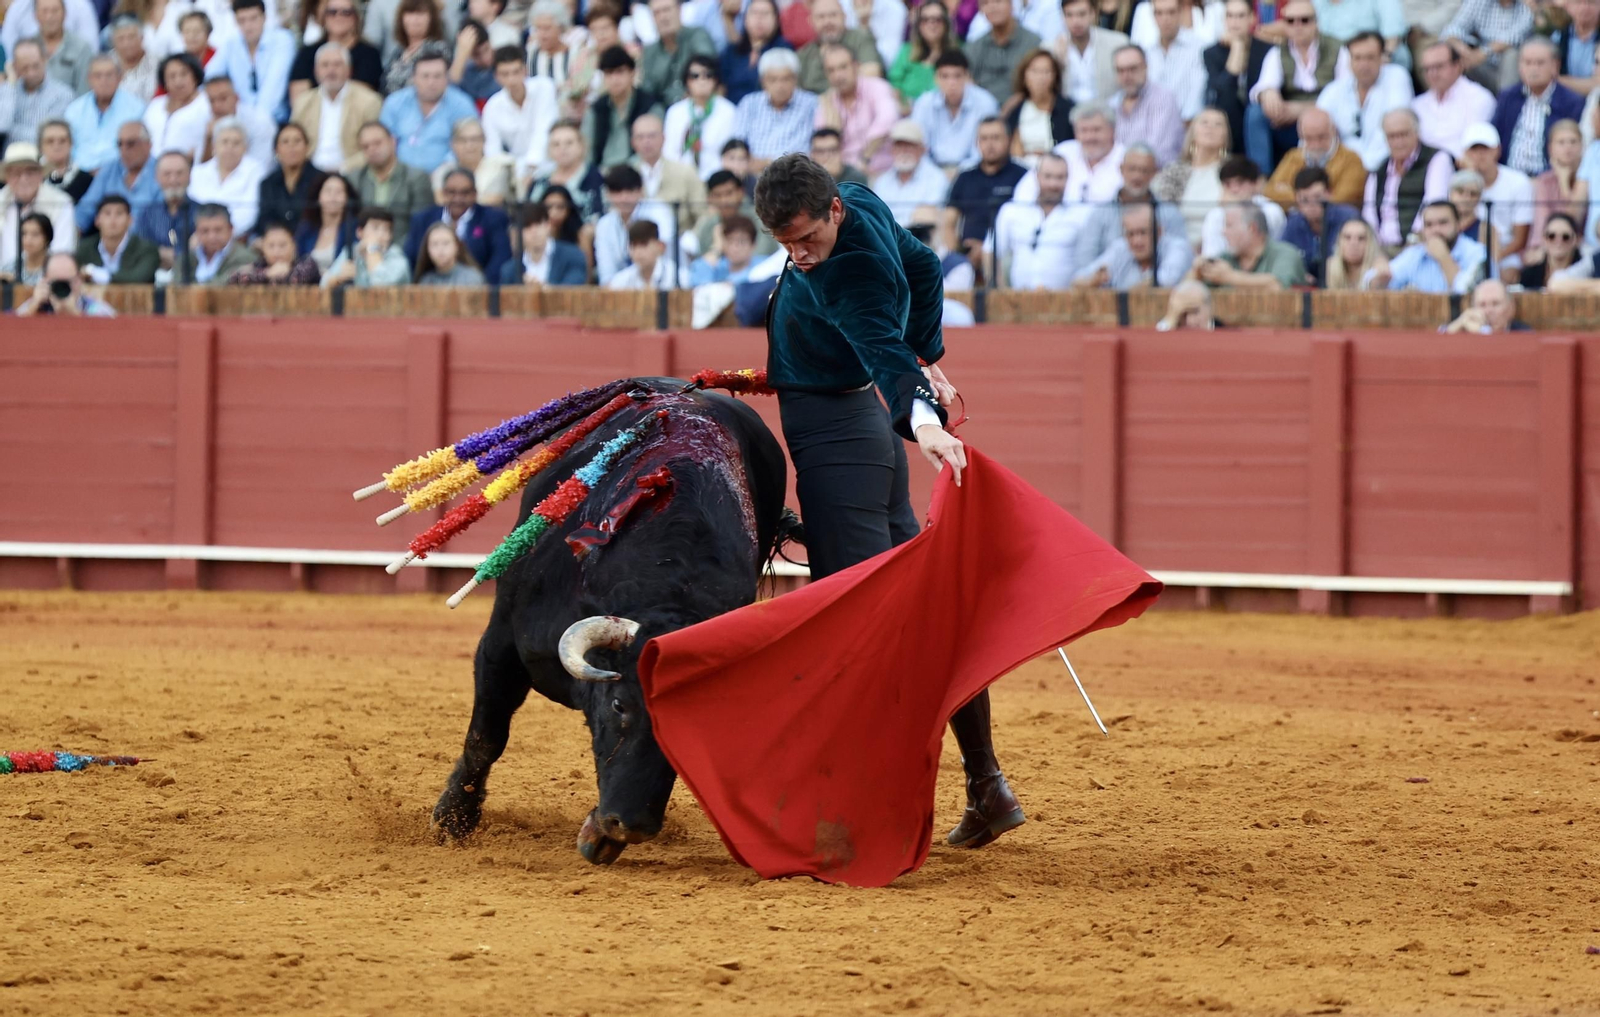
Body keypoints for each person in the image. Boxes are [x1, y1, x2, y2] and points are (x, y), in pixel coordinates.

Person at [751, 154, 1017, 853]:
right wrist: (927, 348)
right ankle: (986, 782)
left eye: (806, 240)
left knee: (859, 628)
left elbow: (880, 349)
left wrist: (923, 416)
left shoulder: (849, 273)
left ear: (833, 211)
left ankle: (863, 810)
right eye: (785, 247)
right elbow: (927, 266)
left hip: (841, 433)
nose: (800, 259)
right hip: (862, 429)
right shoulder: (860, 201)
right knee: (921, 609)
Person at [1245, 0, 1348, 174]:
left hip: (1328, 121)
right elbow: (1262, 86)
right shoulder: (1278, 52)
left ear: (1316, 22)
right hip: (1290, 123)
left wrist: (1303, 109)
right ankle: (1260, 179)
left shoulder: (1337, 49)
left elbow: (1346, 95)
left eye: (1304, 20)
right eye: (1291, 21)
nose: (1298, 26)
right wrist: (1267, 93)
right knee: (1255, 113)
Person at [1315, 30, 1414, 172]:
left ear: (1382, 58)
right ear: (1349, 60)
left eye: (1370, 58)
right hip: (1341, 170)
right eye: (1358, 58)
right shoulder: (1334, 90)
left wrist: (1360, 167)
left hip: (1384, 170)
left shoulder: (1397, 77)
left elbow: (1395, 132)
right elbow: (1312, 129)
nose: (1363, 65)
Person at [1075, 142, 1186, 266]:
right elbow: (1084, 260)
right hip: (1106, 283)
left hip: (1156, 283)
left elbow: (1180, 256)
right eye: (1132, 169)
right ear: (1121, 169)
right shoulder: (1100, 213)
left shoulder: (1169, 213)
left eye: (1144, 170)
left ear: (1154, 173)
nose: (1137, 176)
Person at [944, 116, 1026, 283]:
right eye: (984, 138)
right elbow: (948, 223)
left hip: (1008, 253)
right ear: (977, 143)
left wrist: (986, 250)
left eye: (996, 138)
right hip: (968, 255)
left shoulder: (1023, 176)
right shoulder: (965, 177)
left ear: (1008, 140)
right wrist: (959, 253)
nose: (990, 144)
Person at [1489, 38, 1584, 178]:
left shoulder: (1571, 102)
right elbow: (1493, 136)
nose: (1533, 68)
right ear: (1520, 67)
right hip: (1508, 175)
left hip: (1551, 178)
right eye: (1527, 63)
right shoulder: (1508, 97)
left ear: (1555, 66)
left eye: (1540, 63)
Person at [1363, 107, 1453, 252]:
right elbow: (1369, 212)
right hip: (1380, 248)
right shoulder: (1378, 169)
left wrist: (1413, 242)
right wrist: (1375, 248)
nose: (1398, 142)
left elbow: (1433, 204)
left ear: (1417, 133)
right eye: (1392, 136)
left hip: (1419, 245)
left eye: (1403, 134)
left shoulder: (1437, 159)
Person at [290, 43, 384, 175]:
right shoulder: (303, 102)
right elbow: (293, 141)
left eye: (337, 64)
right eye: (325, 65)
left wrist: (342, 170)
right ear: (316, 71)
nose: (331, 71)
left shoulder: (369, 101)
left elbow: (374, 148)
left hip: (352, 173)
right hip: (309, 175)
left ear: (349, 70)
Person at [1008, 101, 1125, 206]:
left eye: (1096, 130)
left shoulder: (1128, 158)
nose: (1090, 137)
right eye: (1083, 130)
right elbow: (1025, 192)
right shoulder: (1063, 152)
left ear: (1112, 130)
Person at [403, 167, 511, 280]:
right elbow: (411, 259)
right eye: (452, 192)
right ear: (443, 193)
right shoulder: (423, 219)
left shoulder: (493, 218)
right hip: (429, 287)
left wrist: (481, 289)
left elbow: (500, 260)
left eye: (465, 193)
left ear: (475, 194)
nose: (458, 198)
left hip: (479, 289)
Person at [379, 52, 479, 172]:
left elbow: (470, 144)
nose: (431, 82)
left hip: (447, 176)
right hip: (400, 176)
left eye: (437, 76)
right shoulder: (395, 102)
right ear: (414, 78)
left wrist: (444, 172)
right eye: (425, 76)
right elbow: (384, 141)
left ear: (446, 78)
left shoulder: (462, 104)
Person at [993, 151, 1080, 288]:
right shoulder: (1013, 210)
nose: (1053, 184)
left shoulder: (1080, 214)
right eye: (1048, 176)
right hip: (1017, 300)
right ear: (1037, 176)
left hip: (1065, 302)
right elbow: (991, 252)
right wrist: (1001, 294)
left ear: (1068, 178)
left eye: (1060, 177)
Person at [480, 46, 560, 189]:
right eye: (505, 74)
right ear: (496, 77)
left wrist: (530, 169)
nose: (512, 80)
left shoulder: (544, 87)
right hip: (516, 173)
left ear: (525, 70)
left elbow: (543, 130)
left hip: (552, 165)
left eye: (516, 72)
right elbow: (493, 151)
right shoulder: (492, 107)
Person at [814, 44, 897, 177]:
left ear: (856, 66)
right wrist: (829, 108)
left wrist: (865, 158)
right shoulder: (829, 101)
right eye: (831, 70)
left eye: (843, 67)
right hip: (845, 175)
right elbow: (826, 141)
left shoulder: (877, 87)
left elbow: (887, 120)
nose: (838, 75)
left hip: (883, 171)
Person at [1460, 122, 1531, 276]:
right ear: (1465, 153)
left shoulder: (1518, 182)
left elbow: (1519, 239)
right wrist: (1471, 179)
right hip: (1467, 251)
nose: (1479, 155)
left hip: (1506, 253)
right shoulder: (1458, 184)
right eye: (1474, 149)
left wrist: (1492, 259)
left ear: (1497, 150)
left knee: (1508, 274)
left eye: (1485, 149)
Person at [1153, 105, 1229, 248]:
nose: (1210, 127)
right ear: (1192, 132)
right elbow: (1159, 215)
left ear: (1225, 137)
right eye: (1204, 122)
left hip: (1218, 245)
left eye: (1218, 124)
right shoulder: (1173, 172)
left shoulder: (1232, 172)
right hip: (1176, 245)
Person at [1261, 107, 1367, 209]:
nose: (1316, 145)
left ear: (1333, 132)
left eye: (1322, 137)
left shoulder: (1352, 160)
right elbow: (1270, 192)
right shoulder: (1293, 157)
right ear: (1301, 136)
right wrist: (1314, 197)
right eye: (1309, 138)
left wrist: (1293, 195)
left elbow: (1341, 201)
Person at [1203, 0, 1272, 155]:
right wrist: (1237, 47)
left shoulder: (1267, 50)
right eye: (1230, 16)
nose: (1234, 22)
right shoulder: (1212, 53)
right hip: (1229, 117)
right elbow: (1222, 90)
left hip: (1259, 117)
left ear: (1252, 18)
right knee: (1226, 100)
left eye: (1240, 16)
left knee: (1254, 113)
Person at [1072, 200, 1193, 287]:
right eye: (1131, 234)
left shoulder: (1177, 247)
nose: (1137, 241)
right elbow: (1078, 279)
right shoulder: (1120, 247)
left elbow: (1165, 281)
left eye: (1143, 232)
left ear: (1159, 232)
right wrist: (1093, 281)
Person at [733, 48, 818, 172]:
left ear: (795, 79)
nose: (780, 86)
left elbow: (819, 146)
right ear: (763, 81)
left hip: (797, 175)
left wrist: (769, 162)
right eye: (773, 79)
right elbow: (737, 144)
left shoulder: (812, 103)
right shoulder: (749, 103)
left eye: (785, 79)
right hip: (755, 175)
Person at [213, 0, 298, 122]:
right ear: (235, 21)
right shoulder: (230, 44)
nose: (248, 26)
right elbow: (209, 78)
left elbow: (273, 94)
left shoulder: (282, 40)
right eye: (242, 20)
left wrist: (250, 123)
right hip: (237, 122)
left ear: (264, 17)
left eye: (253, 19)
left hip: (275, 121)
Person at [582, 46, 664, 170]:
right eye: (609, 73)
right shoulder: (595, 109)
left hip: (640, 170)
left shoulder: (650, 106)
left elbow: (657, 147)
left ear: (632, 73)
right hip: (602, 172)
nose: (615, 79)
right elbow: (586, 151)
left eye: (620, 72)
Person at [1190, 201, 1307, 288]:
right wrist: (1196, 273)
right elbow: (1189, 291)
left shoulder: (1285, 254)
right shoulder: (1226, 258)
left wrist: (1230, 277)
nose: (1223, 232)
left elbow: (1278, 286)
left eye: (1229, 225)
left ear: (1252, 228)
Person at [1377, 199, 1486, 292]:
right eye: (1429, 225)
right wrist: (1380, 275)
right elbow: (1375, 281)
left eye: (1443, 223)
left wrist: (1444, 258)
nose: (1435, 230)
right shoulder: (1416, 253)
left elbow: (1468, 291)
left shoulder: (1477, 252)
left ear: (1458, 224)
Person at [1411, 41, 1496, 160]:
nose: (1432, 74)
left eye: (1438, 66)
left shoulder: (1479, 98)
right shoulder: (1417, 105)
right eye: (1427, 69)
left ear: (1458, 66)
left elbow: (1473, 147)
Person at [62, 56, 146, 172]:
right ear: (89, 79)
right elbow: (67, 147)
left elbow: (138, 149)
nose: (103, 81)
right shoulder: (74, 110)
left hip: (119, 173)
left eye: (109, 75)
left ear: (119, 78)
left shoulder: (136, 108)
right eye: (98, 76)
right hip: (79, 174)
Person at [288, 0, 383, 102]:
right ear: (323, 17)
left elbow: (363, 99)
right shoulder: (307, 53)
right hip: (313, 116)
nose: (338, 17)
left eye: (346, 12)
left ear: (356, 17)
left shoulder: (369, 54)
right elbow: (299, 100)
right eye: (332, 12)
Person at [189, 116, 268, 234]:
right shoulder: (198, 172)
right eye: (225, 142)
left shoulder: (256, 172)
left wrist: (222, 234)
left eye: (236, 143)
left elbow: (249, 213)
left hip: (237, 237)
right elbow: (191, 208)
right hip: (199, 236)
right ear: (214, 146)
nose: (230, 148)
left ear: (245, 148)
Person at [1279, 165, 1357, 285]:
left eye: (1317, 198)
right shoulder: (1293, 223)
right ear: (1296, 199)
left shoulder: (1348, 218)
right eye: (1304, 200)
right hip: (1306, 289)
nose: (1311, 205)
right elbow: (1283, 257)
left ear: (1329, 193)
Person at [1109, 42, 1184, 165]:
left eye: (1132, 69)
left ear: (1146, 67)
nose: (1126, 76)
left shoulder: (1163, 99)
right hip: (1119, 174)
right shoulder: (1112, 104)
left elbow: (1158, 150)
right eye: (1120, 71)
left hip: (1157, 175)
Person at [75, 122, 158, 234]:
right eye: (120, 144)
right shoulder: (109, 169)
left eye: (130, 144)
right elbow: (86, 208)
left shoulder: (163, 171)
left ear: (148, 145)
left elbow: (164, 217)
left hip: (149, 244)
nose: (124, 150)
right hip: (109, 243)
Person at [663, 55, 736, 179]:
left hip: (716, 178)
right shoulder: (675, 112)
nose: (702, 80)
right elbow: (669, 151)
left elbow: (730, 154)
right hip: (680, 178)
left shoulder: (728, 111)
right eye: (695, 76)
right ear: (686, 81)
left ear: (716, 80)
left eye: (708, 75)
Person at [351, 120, 435, 227]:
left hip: (403, 242)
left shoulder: (417, 178)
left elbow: (420, 226)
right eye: (365, 146)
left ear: (393, 142)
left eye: (377, 143)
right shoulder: (355, 179)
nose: (372, 149)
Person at [1199, 155, 1285, 257]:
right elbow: (1211, 254)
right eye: (1228, 184)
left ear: (1255, 184)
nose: (1234, 189)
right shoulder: (1215, 214)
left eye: (1240, 182)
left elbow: (1265, 241)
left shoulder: (1271, 210)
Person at [1439, 0, 1533, 92]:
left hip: (1510, 68)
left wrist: (1483, 52)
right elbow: (1452, 29)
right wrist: (1463, 49)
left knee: (1511, 54)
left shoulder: (1525, 7)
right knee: (1452, 53)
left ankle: (1505, 101)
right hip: (1478, 63)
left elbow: (1512, 38)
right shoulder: (1478, 2)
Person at [870, 119, 948, 227]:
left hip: (919, 239)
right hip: (888, 238)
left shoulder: (936, 179)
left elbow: (928, 219)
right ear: (892, 150)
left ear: (922, 149)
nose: (904, 151)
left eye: (909, 146)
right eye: (899, 146)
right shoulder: (882, 182)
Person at [1003, 49, 1073, 166]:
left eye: (1046, 71)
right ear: (1024, 76)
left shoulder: (1067, 109)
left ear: (1055, 76)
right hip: (1020, 170)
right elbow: (1011, 148)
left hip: (1056, 170)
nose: (1040, 78)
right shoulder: (1015, 108)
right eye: (1035, 71)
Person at [1528, 119, 1586, 258]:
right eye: (1561, 142)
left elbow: (1574, 222)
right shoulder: (1544, 181)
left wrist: (1564, 183)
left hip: (1580, 245)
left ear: (1582, 146)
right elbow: (1542, 224)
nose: (1568, 148)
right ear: (1550, 148)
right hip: (1550, 243)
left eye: (1573, 142)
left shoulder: (1588, 179)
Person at [638, 0, 716, 104]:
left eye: (667, 10)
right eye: (657, 13)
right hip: (663, 112)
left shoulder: (697, 36)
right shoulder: (650, 52)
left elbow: (709, 69)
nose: (663, 17)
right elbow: (647, 93)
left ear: (679, 9)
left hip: (696, 103)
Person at [796, 0, 881, 94]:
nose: (827, 21)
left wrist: (833, 100)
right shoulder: (803, 55)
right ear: (811, 21)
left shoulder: (860, 38)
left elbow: (872, 73)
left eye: (833, 15)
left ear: (844, 16)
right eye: (821, 17)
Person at [527, 118, 606, 220]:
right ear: (549, 150)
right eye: (556, 144)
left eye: (569, 143)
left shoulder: (598, 178)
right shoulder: (539, 181)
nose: (562, 148)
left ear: (581, 146)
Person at [965, 0, 1042, 104]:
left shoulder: (1033, 43)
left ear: (1011, 5)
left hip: (1023, 109)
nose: (992, 7)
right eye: (985, 3)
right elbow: (967, 83)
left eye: (998, 1)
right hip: (982, 112)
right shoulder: (974, 47)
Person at [1052, 0, 1126, 107]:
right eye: (1069, 15)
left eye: (1081, 14)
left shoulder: (1117, 44)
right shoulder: (1051, 49)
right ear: (1062, 17)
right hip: (1067, 116)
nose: (1076, 21)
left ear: (1093, 14)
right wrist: (1058, 63)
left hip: (1109, 113)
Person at [257, 122, 326, 236]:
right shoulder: (268, 183)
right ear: (276, 150)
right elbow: (264, 220)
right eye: (285, 142)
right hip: (277, 244)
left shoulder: (321, 180)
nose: (291, 147)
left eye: (297, 141)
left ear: (307, 147)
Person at [73, 194, 160, 284]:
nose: (113, 220)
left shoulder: (147, 249)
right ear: (97, 220)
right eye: (107, 213)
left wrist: (98, 275)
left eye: (119, 213)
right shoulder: (84, 249)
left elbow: (139, 278)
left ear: (130, 220)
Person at [1143, 0, 1208, 120]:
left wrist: (1187, 121)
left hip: (1187, 122)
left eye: (1171, 12)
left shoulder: (1199, 47)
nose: (1165, 18)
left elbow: (1198, 90)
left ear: (1180, 13)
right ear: (1153, 16)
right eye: (1159, 13)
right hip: (1151, 122)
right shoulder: (1146, 51)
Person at [1, 40, 74, 147]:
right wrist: (10, 84)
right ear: (15, 67)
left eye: (35, 66)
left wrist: (11, 130)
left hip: (44, 159)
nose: (31, 73)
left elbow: (47, 138)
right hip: (9, 159)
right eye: (25, 68)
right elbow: (2, 125)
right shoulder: (8, 91)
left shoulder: (63, 94)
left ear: (45, 60)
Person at [144, 54, 211, 168]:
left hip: (190, 168)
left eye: (184, 74)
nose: (178, 81)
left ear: (195, 76)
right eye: (172, 76)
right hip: (151, 169)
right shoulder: (155, 105)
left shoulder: (206, 104)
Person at [430, 117, 516, 205]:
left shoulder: (498, 168)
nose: (469, 146)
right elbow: (441, 202)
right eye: (463, 140)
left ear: (484, 141)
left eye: (475, 139)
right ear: (453, 144)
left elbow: (492, 201)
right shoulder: (443, 172)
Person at [134, 151, 198, 269]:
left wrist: (161, 252)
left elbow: (200, 253)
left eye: (179, 173)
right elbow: (140, 250)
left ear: (189, 176)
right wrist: (181, 253)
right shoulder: (147, 214)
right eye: (167, 174)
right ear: (157, 177)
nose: (173, 180)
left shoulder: (202, 212)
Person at [500, 201, 588, 285]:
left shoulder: (573, 256)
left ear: (548, 225)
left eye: (538, 224)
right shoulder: (509, 270)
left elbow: (574, 289)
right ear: (517, 233)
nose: (534, 231)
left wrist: (542, 290)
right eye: (527, 226)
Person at [721, 0, 791, 106]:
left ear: (776, 19)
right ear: (745, 19)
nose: (759, 19)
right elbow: (720, 86)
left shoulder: (783, 50)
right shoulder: (732, 51)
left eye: (765, 14)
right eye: (754, 13)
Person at [321, 206, 411, 286]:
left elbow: (380, 286)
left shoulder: (397, 257)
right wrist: (338, 278)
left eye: (387, 229)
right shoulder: (352, 251)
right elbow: (323, 285)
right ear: (360, 232)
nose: (382, 235)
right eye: (375, 228)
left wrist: (372, 248)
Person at [172, 202, 257, 284]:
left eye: (218, 230)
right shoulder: (187, 257)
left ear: (231, 229)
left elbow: (229, 286)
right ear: (196, 231)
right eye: (205, 231)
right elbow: (177, 285)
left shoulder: (245, 257)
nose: (211, 237)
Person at [889, 0, 954, 105]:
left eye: (937, 19)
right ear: (918, 25)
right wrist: (903, 106)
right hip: (908, 115)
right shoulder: (906, 51)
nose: (931, 24)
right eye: (925, 19)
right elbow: (894, 85)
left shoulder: (957, 54)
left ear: (946, 23)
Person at [203, 75, 277, 167]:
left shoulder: (259, 122)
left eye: (223, 98)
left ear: (236, 98)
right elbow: (202, 168)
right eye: (212, 101)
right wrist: (209, 139)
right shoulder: (206, 119)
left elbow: (261, 166)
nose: (217, 105)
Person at [11, 252, 115, 315]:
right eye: (56, 282)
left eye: (67, 282)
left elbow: (112, 336)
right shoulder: (35, 306)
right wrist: (33, 308)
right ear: (45, 281)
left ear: (78, 280)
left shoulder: (95, 309)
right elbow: (10, 333)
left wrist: (75, 314)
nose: (62, 288)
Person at [294, 171, 358, 271]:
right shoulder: (307, 228)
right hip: (308, 284)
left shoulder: (353, 228)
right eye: (328, 191)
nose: (333, 197)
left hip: (339, 284)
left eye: (339, 192)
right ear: (318, 196)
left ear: (347, 198)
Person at [382, 0, 450, 95]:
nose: (415, 19)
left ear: (431, 19)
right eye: (410, 13)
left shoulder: (437, 50)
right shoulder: (398, 52)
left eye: (421, 14)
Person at [228, 220, 323, 283]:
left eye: (282, 245)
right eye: (271, 246)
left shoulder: (307, 263)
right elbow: (233, 279)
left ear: (293, 246)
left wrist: (267, 275)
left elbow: (295, 279)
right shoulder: (259, 265)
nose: (277, 251)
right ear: (263, 248)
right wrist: (267, 273)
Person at [33, 0, 94, 95]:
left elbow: (85, 91)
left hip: (71, 107)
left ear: (65, 13)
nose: (50, 17)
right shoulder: (28, 48)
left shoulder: (81, 48)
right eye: (45, 11)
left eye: (55, 11)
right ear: (35, 15)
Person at [688, 211, 759, 284]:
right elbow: (697, 283)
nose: (735, 248)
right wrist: (716, 248)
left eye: (742, 242)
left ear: (753, 244)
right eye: (730, 241)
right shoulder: (718, 267)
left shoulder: (762, 267)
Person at [1517, 210, 1580, 291]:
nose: (1558, 241)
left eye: (1565, 237)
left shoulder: (1587, 271)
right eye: (1551, 236)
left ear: (1576, 240)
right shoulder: (1529, 274)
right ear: (1544, 239)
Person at [1442, 278, 1530, 332]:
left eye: (1495, 304)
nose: (1488, 311)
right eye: (1482, 305)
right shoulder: (1465, 329)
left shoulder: (1524, 333)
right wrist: (1457, 325)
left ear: (1511, 308)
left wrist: (1484, 332)